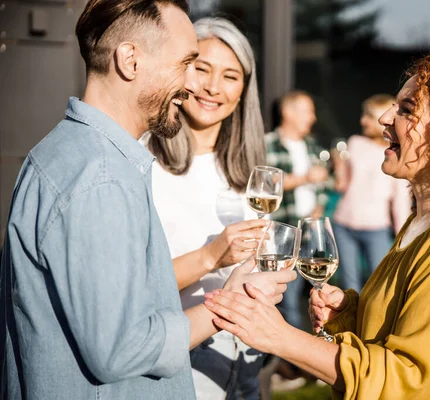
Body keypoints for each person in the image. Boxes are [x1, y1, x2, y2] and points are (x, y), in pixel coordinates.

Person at [201, 51, 430, 399]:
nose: (386, 118)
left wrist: (280, 336)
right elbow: (401, 330)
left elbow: (401, 379)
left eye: (406, 110)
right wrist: (349, 314)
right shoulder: (422, 221)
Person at [0, 2, 294, 399]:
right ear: (130, 60)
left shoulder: (76, 157)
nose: (194, 84)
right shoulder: (100, 178)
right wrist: (231, 303)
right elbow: (122, 348)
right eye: (187, 63)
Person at [144, 17, 269, 400]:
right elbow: (130, 288)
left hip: (244, 358)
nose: (214, 87)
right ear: (180, 70)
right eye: (202, 69)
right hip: (176, 368)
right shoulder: (143, 164)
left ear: (244, 90)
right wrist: (210, 257)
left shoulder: (249, 172)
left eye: (231, 76)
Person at [332, 94, 413, 292]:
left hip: (376, 228)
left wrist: (404, 237)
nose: (363, 121)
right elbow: (342, 185)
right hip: (344, 223)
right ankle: (350, 323)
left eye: (368, 116)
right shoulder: (354, 143)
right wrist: (338, 164)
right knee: (349, 284)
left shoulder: (395, 153)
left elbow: (400, 200)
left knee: (379, 282)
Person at [265, 90, 330, 330]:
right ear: (287, 113)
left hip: (311, 228)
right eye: (307, 111)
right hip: (285, 229)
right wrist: (305, 178)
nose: (312, 118)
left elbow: (323, 184)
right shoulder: (268, 143)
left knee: (317, 292)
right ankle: (289, 356)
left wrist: (318, 209)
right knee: (288, 295)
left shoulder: (311, 145)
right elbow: (266, 184)